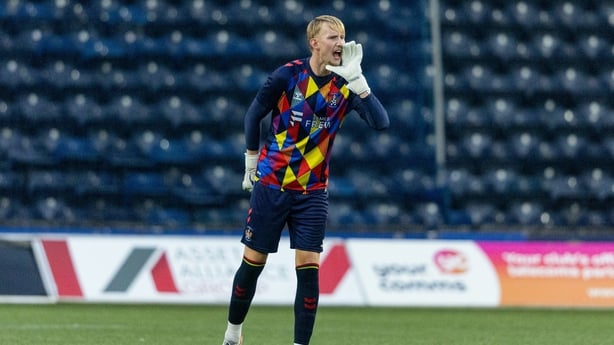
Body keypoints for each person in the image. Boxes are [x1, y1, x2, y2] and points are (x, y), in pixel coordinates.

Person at [222, 15, 389, 345]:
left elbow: (381, 123)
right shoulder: (288, 75)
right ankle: (233, 334)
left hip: (312, 192)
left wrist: (360, 83)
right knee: (252, 266)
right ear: (314, 43)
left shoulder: (347, 84)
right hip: (272, 184)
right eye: (331, 37)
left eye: (342, 36)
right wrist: (250, 162)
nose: (339, 42)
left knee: (309, 272)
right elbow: (254, 114)